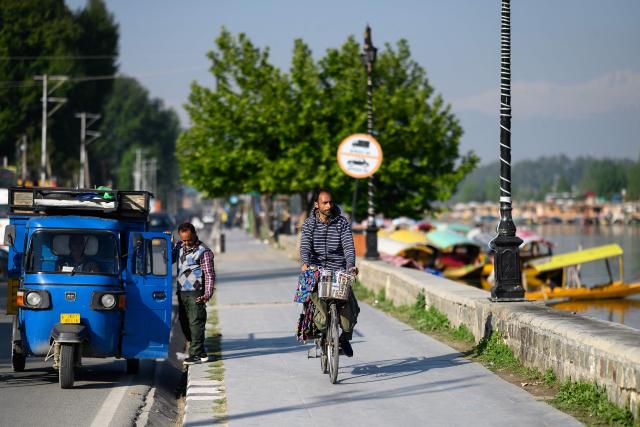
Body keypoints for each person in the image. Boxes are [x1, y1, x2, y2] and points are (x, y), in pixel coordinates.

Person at [300, 189, 359, 357]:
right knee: (314, 306)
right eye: (324, 203)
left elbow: (348, 247)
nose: (328, 205)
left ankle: (344, 339)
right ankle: (316, 333)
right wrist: (305, 263)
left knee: (351, 310)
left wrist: (351, 266)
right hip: (317, 269)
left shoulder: (342, 223)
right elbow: (305, 246)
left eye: (330, 202)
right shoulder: (309, 224)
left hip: (339, 270)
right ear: (317, 205)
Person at [173, 222, 216, 365]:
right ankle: (201, 352)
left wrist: (207, 293)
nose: (186, 243)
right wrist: (167, 242)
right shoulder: (179, 247)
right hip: (182, 291)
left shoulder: (204, 251)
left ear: (195, 235)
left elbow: (209, 274)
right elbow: (169, 259)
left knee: (196, 322)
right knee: (184, 323)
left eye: (189, 240)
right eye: (183, 240)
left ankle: (195, 354)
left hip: (196, 292)